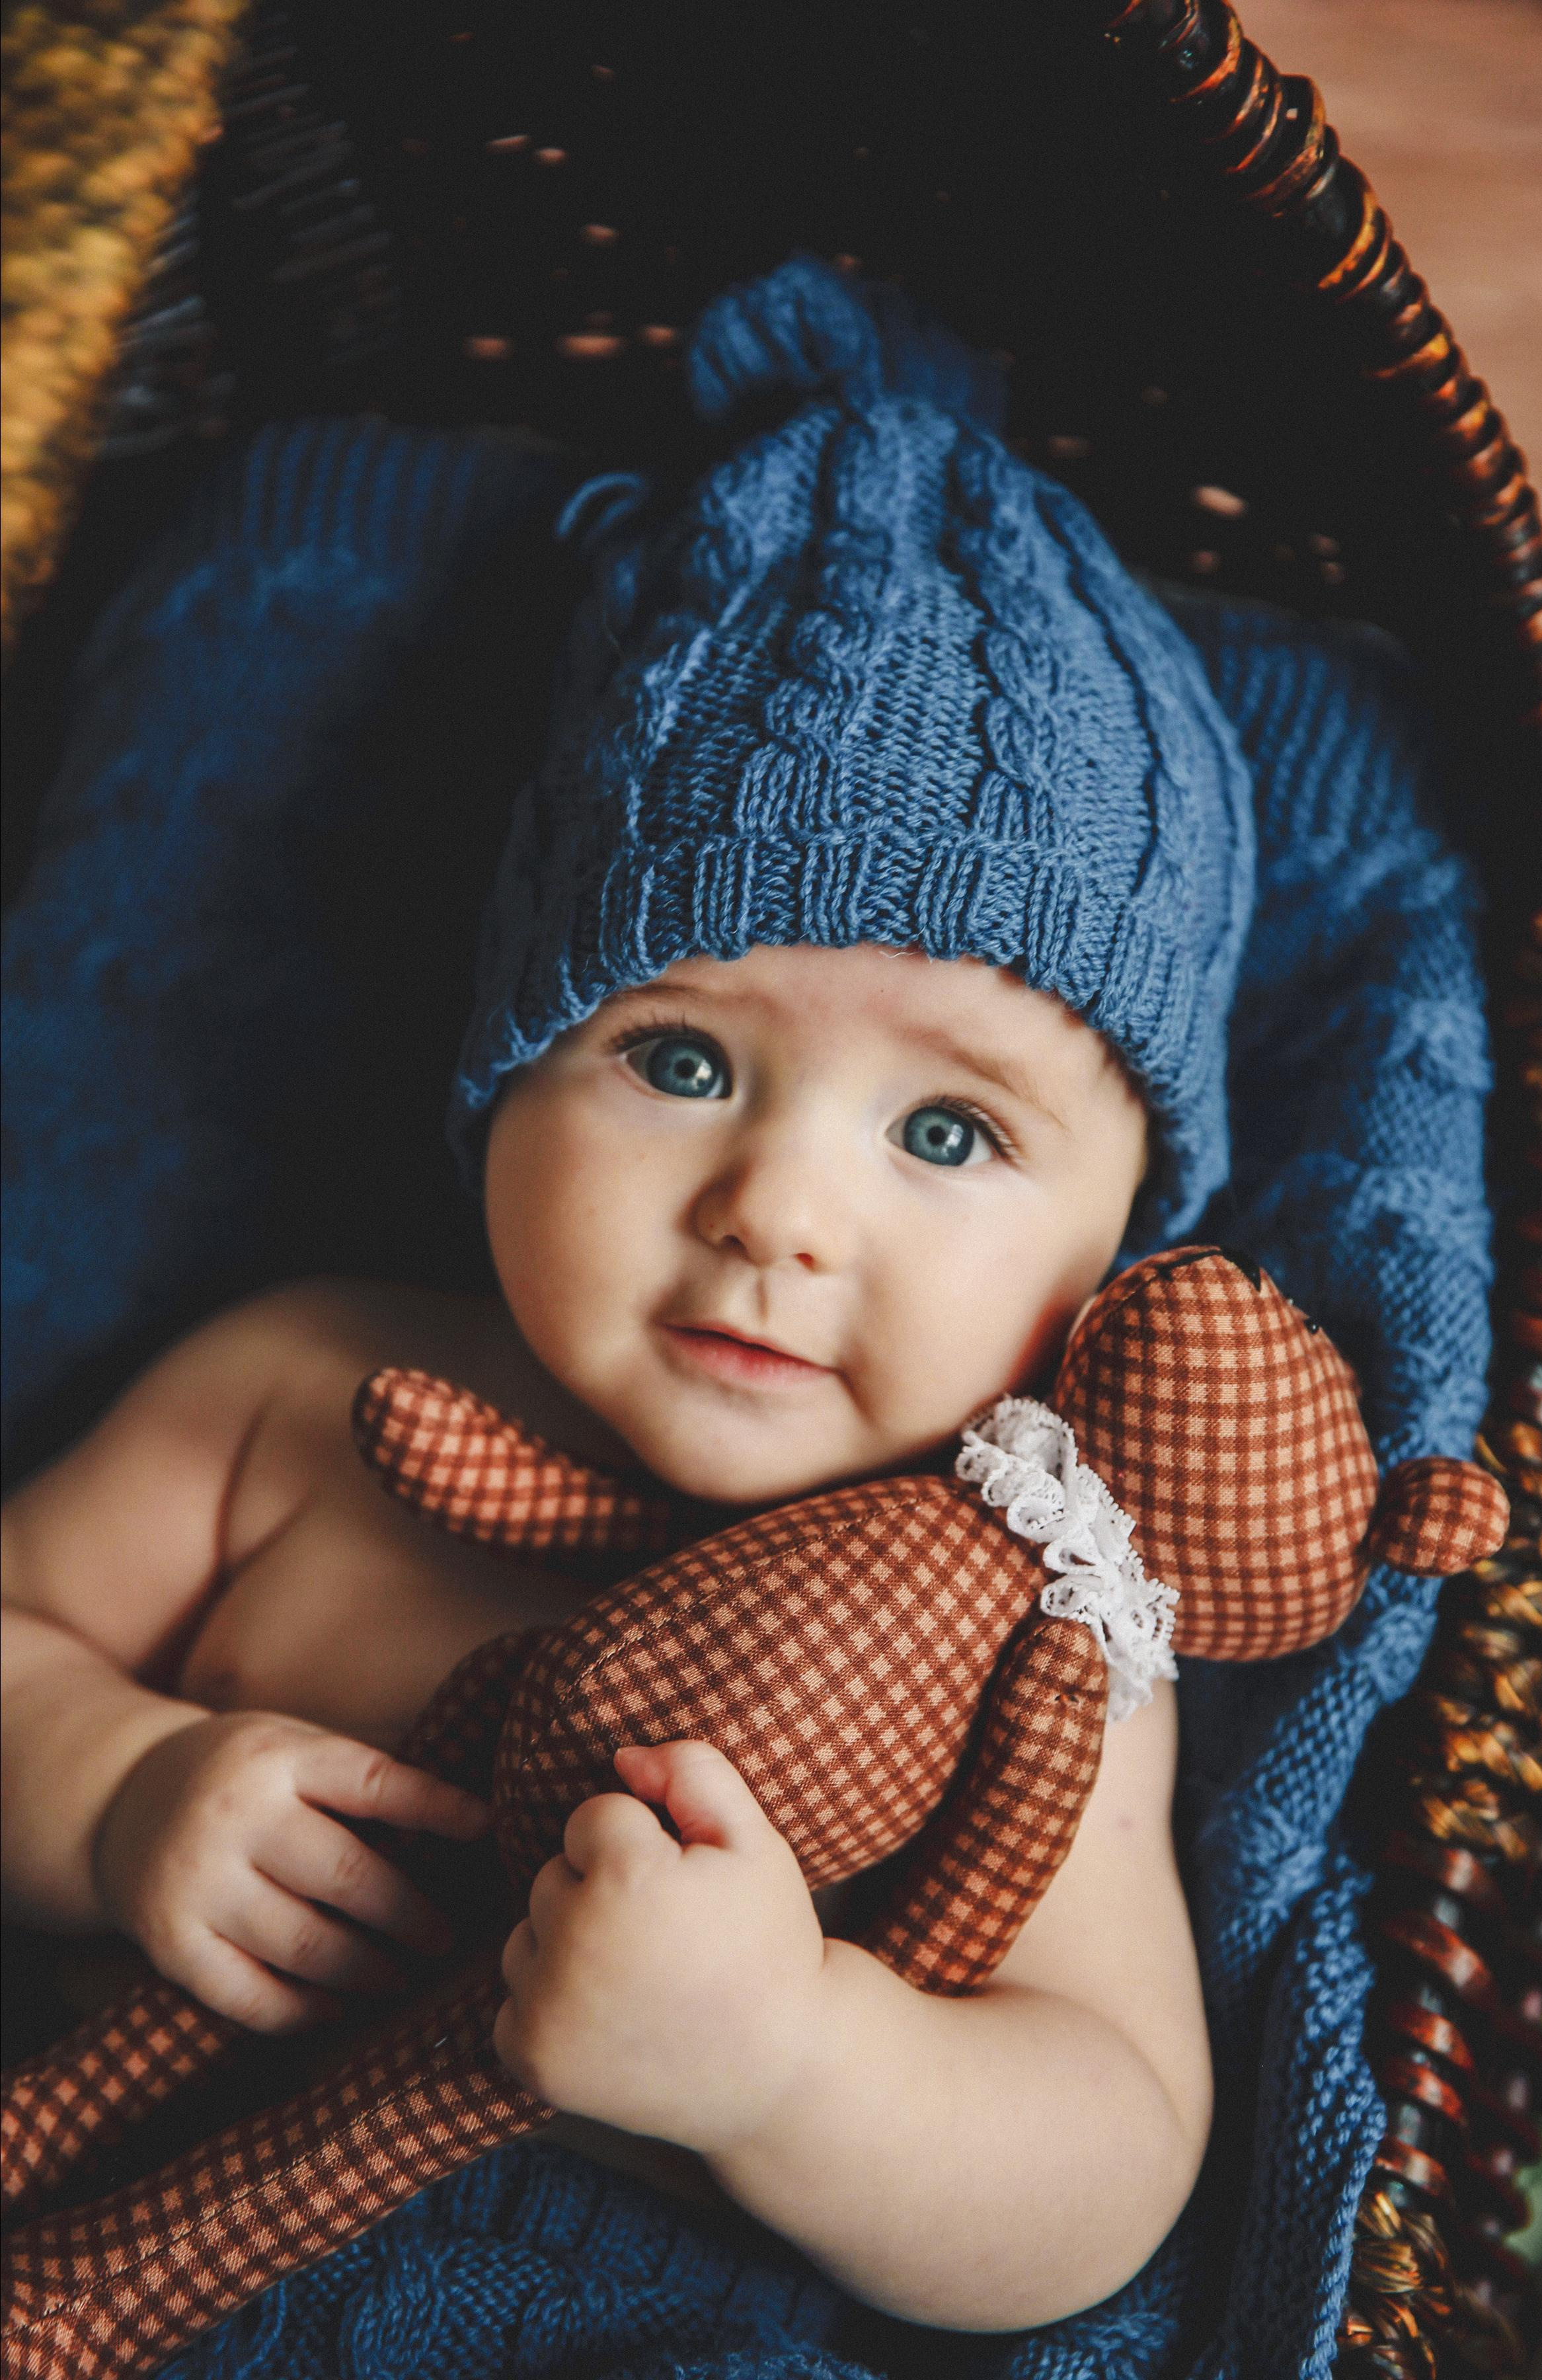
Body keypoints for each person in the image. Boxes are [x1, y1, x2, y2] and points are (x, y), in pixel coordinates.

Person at [0, 257, 1255, 2329]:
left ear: (1116, 1257)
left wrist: (791, 2068)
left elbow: (1110, 2155)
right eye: (678, 1063)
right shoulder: (307, 1391)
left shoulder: (1044, 1618)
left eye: (948, 1137)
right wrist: (118, 1788)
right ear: (504, 1076)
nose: (778, 1212)